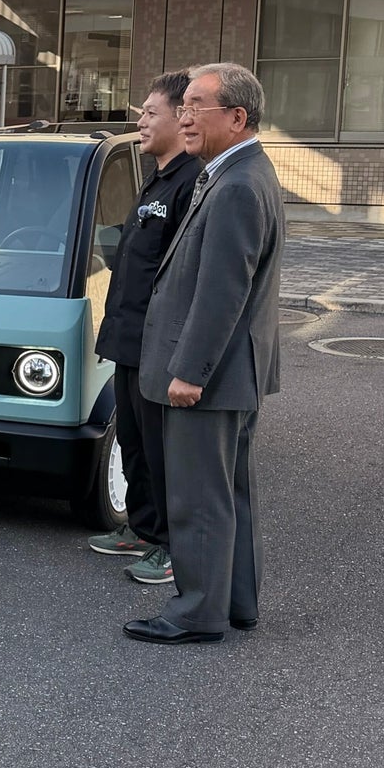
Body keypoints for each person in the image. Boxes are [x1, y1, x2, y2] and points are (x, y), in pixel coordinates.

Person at [124, 63, 284, 646]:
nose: (184, 117)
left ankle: (197, 613)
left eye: (196, 106)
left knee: (200, 498)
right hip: (234, 371)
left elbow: (223, 291)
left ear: (237, 117)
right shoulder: (238, 172)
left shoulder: (237, 184)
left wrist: (189, 372)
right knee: (229, 492)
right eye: (184, 106)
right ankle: (235, 602)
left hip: (210, 377)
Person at [88, 72, 201, 586]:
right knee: (133, 443)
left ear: (181, 118)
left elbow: (186, 277)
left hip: (158, 347)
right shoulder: (157, 177)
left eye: (151, 113)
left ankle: (172, 546)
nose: (141, 122)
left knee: (162, 451)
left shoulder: (191, 183)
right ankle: (142, 527)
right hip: (128, 339)